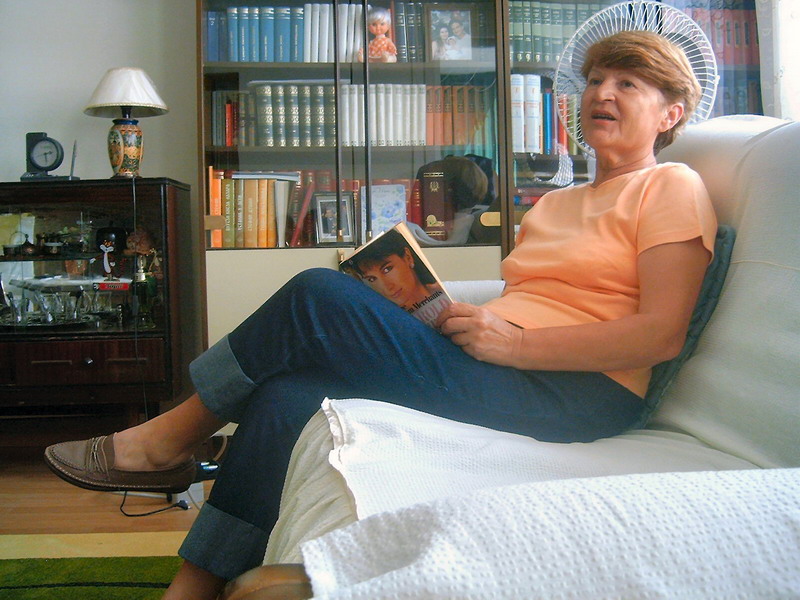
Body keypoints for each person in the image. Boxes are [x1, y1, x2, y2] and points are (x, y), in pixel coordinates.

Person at [44, 30, 716, 599]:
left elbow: (660, 334)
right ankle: (193, 586)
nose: (602, 93)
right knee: (287, 394)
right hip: (500, 364)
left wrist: (513, 346)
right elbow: (536, 298)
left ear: (671, 113)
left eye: (628, 84)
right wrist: (457, 318)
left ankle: (167, 441)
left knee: (316, 295)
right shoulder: (555, 204)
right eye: (596, 80)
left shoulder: (670, 186)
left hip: (579, 393)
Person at [341, 229, 444, 313]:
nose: (387, 288)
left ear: (408, 257)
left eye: (387, 269)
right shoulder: (382, 319)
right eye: (372, 279)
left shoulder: (449, 292)